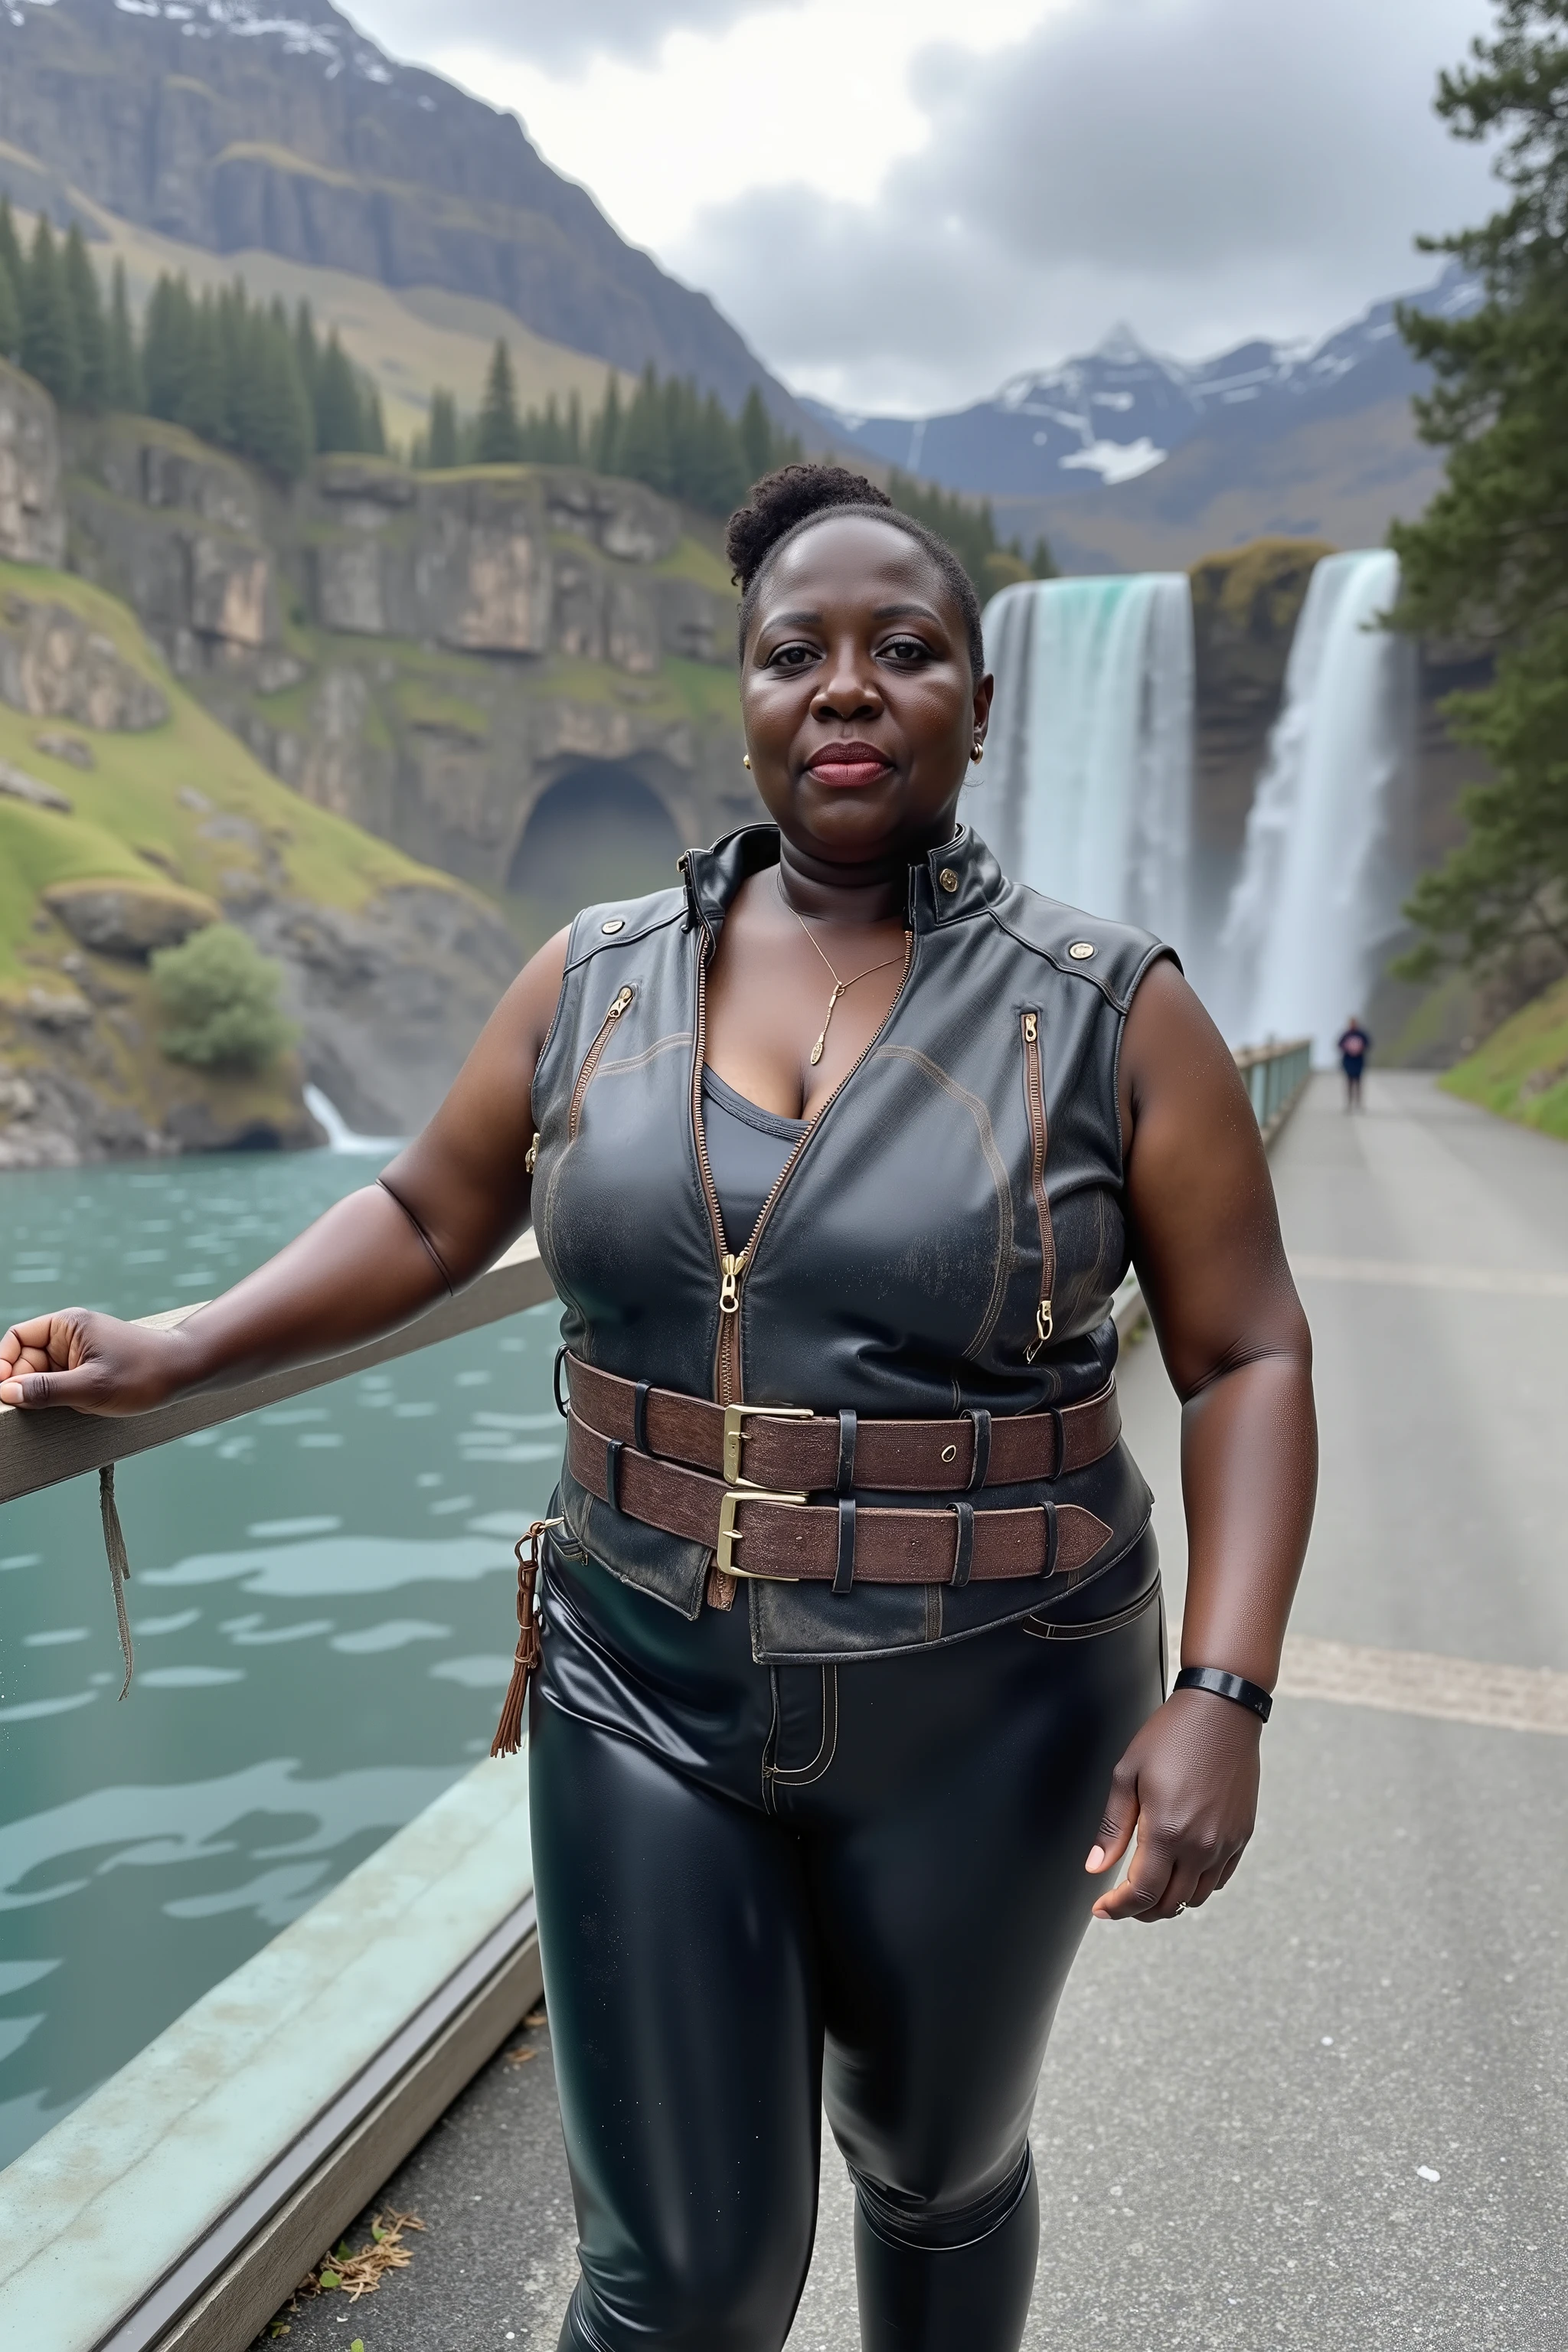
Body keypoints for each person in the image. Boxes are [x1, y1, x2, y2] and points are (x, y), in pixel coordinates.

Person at [0, 466, 1316, 2352]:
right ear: (744, 691)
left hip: (1001, 1695)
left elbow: (1246, 1353)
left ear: (975, 698)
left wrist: (1225, 1690)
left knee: (933, 2164)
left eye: (903, 649)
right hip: (641, 1678)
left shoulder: (1112, 1013)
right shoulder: (594, 978)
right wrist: (184, 1340)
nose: (846, 687)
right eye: (798, 652)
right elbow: (422, 1206)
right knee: (678, 2274)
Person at [1337, 1016, 1371, 1110]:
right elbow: (1339, 1044)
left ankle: (1359, 1104)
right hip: (1348, 1062)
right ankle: (1349, 1104)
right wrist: (1348, 1048)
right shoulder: (1346, 1035)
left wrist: (1360, 1049)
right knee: (1349, 1083)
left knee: (1358, 1083)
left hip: (1359, 1062)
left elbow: (1368, 1044)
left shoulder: (1361, 1034)